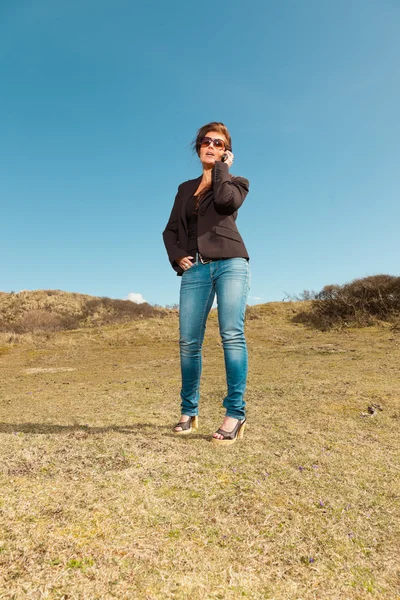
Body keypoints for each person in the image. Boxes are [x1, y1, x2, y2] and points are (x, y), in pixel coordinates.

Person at [163, 122, 250, 445]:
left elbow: (226, 203)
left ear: (225, 150)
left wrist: (223, 169)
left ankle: (235, 414)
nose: (210, 146)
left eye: (218, 143)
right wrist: (178, 257)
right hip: (195, 270)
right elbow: (170, 230)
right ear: (198, 147)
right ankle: (189, 411)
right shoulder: (185, 189)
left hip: (230, 264)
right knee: (188, 342)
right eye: (205, 141)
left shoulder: (236, 182)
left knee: (231, 334)